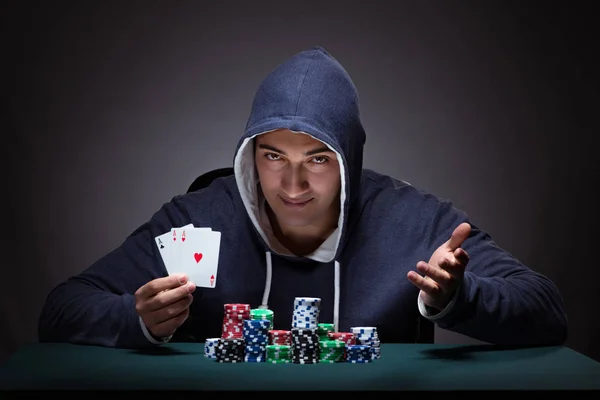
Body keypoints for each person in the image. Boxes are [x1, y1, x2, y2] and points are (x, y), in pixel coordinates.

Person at [38, 46, 568, 348]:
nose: (292, 187)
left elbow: (547, 310)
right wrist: (135, 321)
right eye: (273, 157)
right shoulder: (198, 220)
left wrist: (458, 297)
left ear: (349, 161)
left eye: (317, 160)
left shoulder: (414, 223)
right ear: (250, 154)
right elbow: (61, 308)